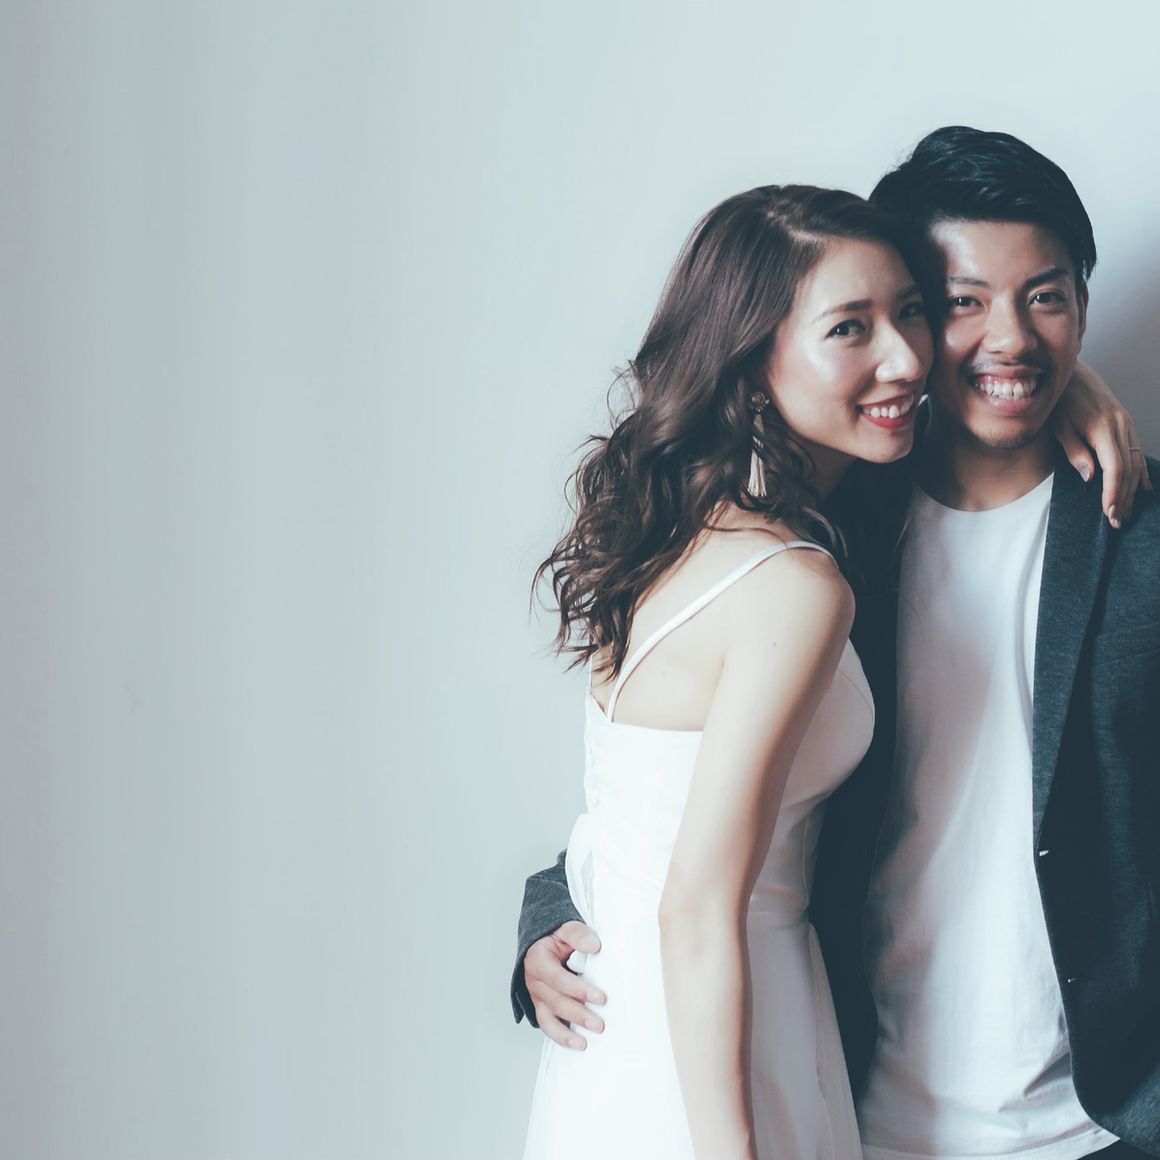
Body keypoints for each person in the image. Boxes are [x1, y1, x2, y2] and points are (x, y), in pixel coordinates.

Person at [515, 128, 1160, 1160]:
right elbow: (684, 787)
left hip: (1097, 1131)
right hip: (847, 1110)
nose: (1007, 337)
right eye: (959, 302)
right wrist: (552, 915)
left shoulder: (1140, 536)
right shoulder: (829, 535)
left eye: (1043, 297)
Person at [522, 184, 933, 1160]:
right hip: (717, 1046)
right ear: (752, 360)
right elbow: (697, 901)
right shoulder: (792, 584)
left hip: (624, 1036)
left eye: (910, 311)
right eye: (850, 327)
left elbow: (630, 816)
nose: (907, 358)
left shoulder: (666, 530)